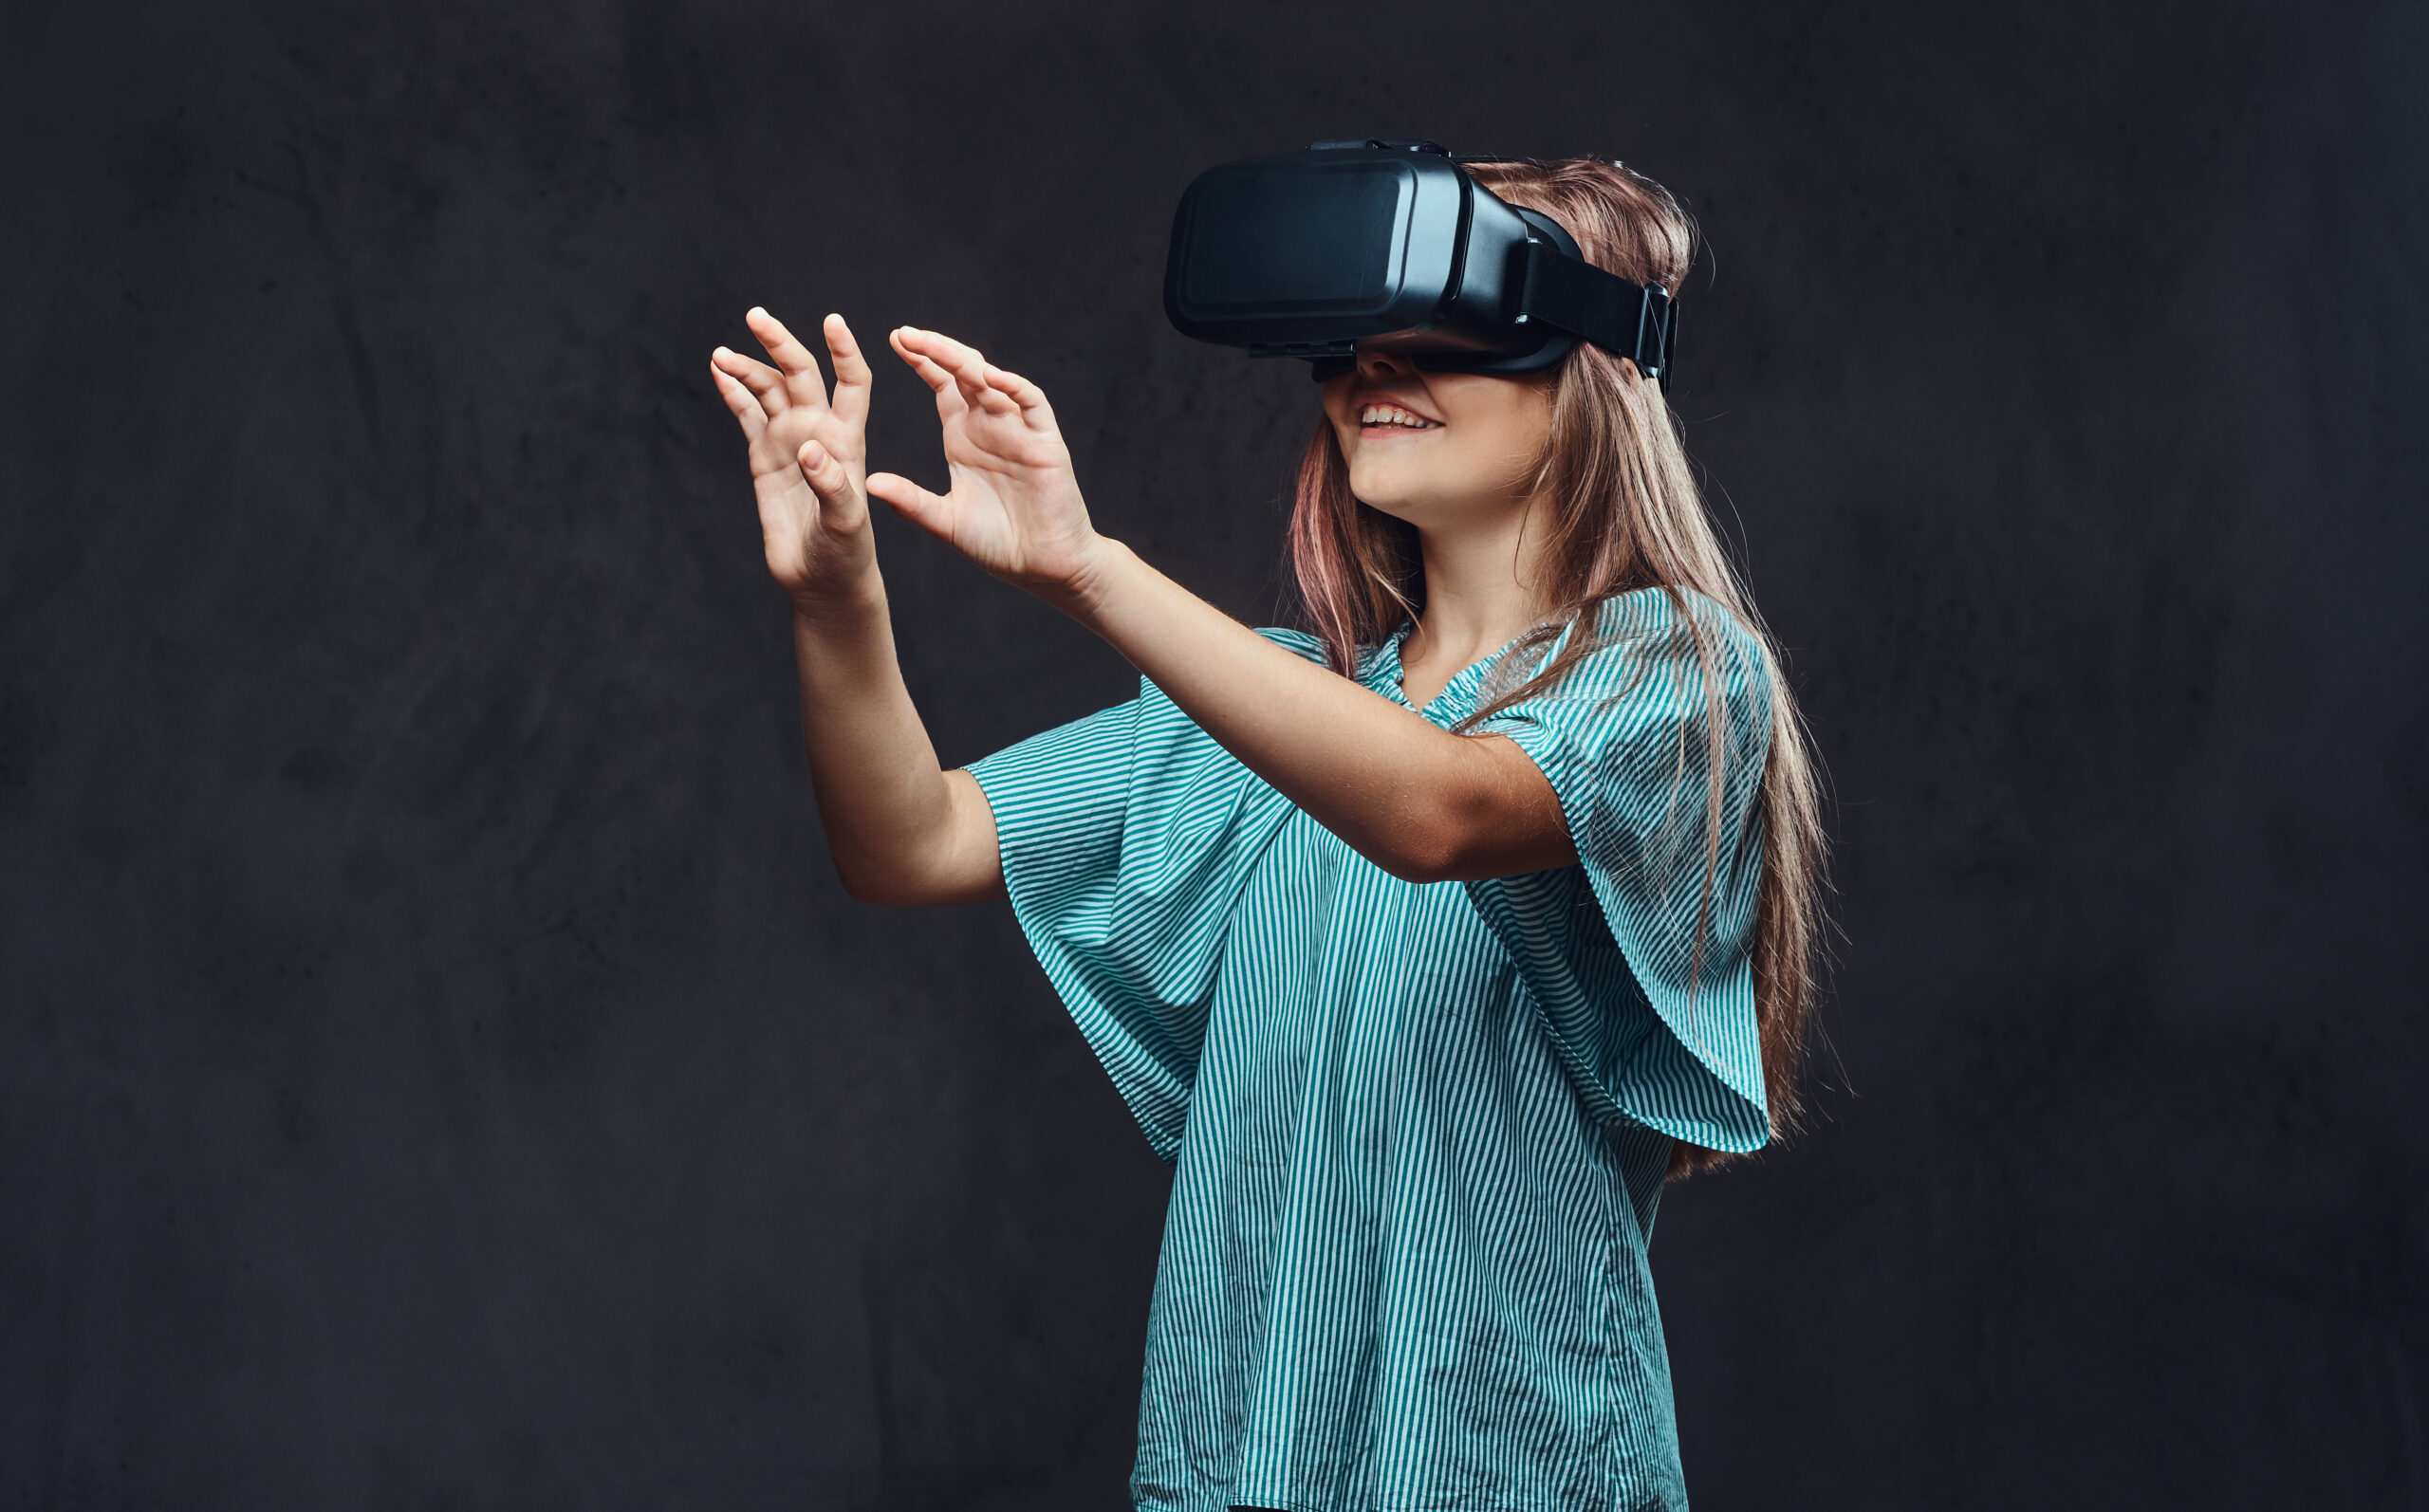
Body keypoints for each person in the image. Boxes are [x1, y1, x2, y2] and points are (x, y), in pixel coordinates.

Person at [708, 157, 1826, 1512]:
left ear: (1591, 369)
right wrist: (839, 593)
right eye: (1352, 341)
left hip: (1506, 1472)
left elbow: (1440, 806)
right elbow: (911, 839)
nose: (1374, 371)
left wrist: (1086, 564)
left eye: (1443, 330)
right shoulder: (1258, 708)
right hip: (1232, 1469)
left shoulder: (1674, 676)